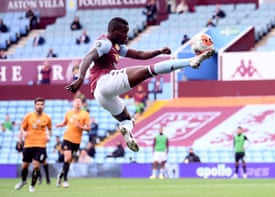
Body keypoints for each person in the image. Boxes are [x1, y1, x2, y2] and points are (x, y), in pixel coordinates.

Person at [64, 17, 215, 153]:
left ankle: (125, 130)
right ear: (114, 32)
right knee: (148, 71)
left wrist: (158, 51)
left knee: (127, 120)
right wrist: (80, 77)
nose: (127, 35)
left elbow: (139, 55)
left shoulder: (116, 46)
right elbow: (89, 57)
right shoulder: (105, 43)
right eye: (125, 32)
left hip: (102, 96)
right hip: (104, 81)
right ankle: (191, 61)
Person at [14, 97, 52, 192]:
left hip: (40, 145)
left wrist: (48, 136)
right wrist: (23, 134)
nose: (40, 106)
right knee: (25, 166)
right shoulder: (28, 116)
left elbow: (50, 129)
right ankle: (23, 181)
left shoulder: (47, 118)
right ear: (35, 105)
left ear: (44, 106)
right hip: (28, 144)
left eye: (41, 104)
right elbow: (22, 128)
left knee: (36, 165)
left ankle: (32, 185)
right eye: (38, 104)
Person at [55, 96, 90, 188]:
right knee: (67, 158)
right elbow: (65, 122)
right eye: (76, 102)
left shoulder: (85, 114)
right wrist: (60, 125)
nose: (78, 103)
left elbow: (88, 128)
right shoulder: (68, 113)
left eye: (79, 102)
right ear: (73, 103)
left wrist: (80, 126)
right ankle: (65, 180)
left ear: (81, 104)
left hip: (77, 141)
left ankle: (60, 176)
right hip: (67, 138)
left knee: (69, 161)